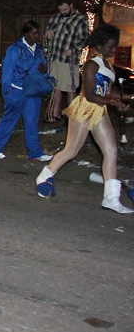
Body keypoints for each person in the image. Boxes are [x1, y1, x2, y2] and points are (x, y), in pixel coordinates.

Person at [36, 25, 134, 214]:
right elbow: (89, 94)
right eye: (110, 47)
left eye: (115, 46)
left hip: (100, 109)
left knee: (111, 150)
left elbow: (108, 90)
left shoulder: (107, 65)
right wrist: (114, 102)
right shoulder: (91, 64)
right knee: (71, 150)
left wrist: (127, 98)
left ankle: (111, 199)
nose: (114, 50)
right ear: (99, 45)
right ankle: (44, 176)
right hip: (85, 109)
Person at [0, 21, 52, 162]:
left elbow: (43, 68)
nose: (37, 36)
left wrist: (44, 70)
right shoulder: (15, 49)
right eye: (34, 33)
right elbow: (7, 70)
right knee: (9, 120)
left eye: (38, 33)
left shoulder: (39, 50)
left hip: (33, 91)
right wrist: (7, 90)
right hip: (17, 90)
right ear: (26, 34)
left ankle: (35, 152)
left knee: (32, 122)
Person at [44, 0, 88, 122]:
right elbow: (47, 33)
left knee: (70, 88)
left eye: (65, 9)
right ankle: (54, 115)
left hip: (69, 61)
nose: (63, 12)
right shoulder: (56, 18)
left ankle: (73, 116)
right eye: (60, 10)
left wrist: (74, 49)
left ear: (71, 6)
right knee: (55, 87)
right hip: (55, 58)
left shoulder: (80, 20)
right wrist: (48, 34)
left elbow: (85, 39)